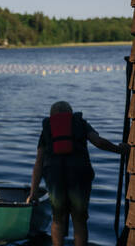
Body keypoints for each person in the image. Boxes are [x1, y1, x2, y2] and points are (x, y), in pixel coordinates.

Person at [27, 101, 130, 246]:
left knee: (58, 219)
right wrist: (120, 150)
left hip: (55, 178)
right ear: (70, 113)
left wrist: (33, 192)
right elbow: (99, 142)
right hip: (79, 177)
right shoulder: (80, 123)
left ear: (52, 115)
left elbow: (38, 163)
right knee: (79, 220)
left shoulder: (47, 129)